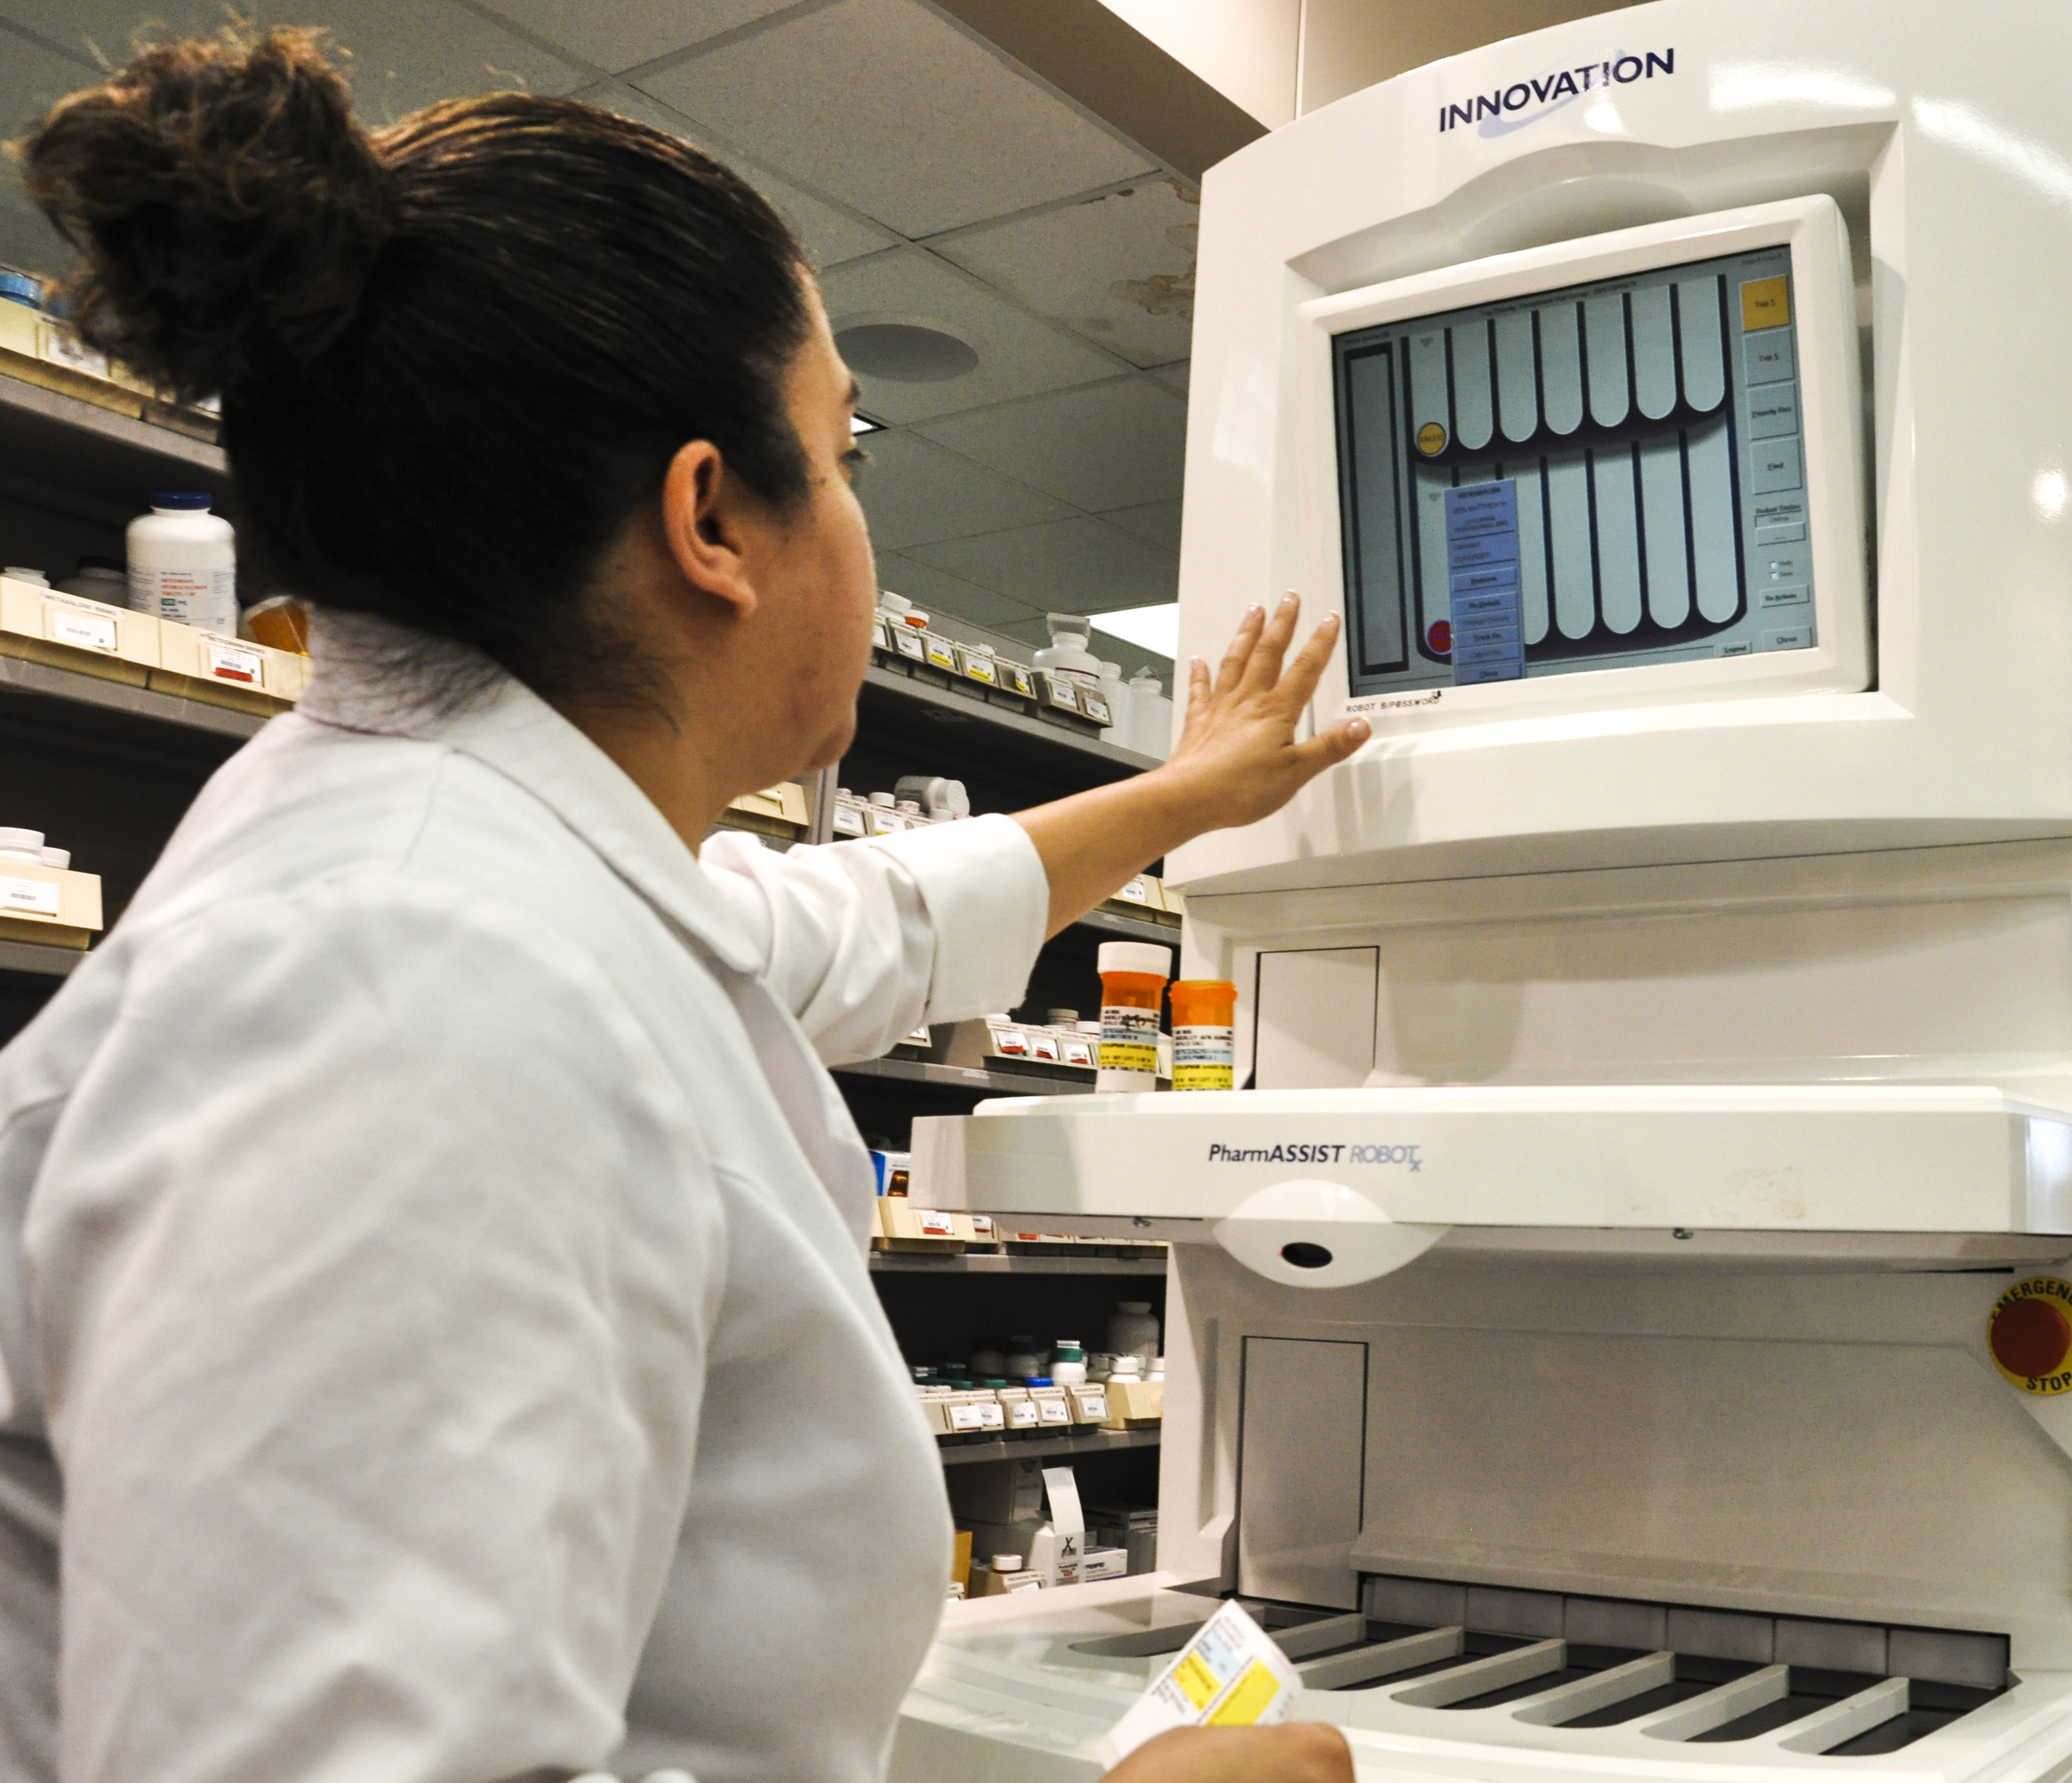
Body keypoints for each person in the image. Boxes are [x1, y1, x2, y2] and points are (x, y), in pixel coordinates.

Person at [0, 28, 1367, 1783]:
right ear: (712, 517)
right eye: (845, 452)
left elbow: (862, 919)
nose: (856, 517)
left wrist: (1197, 791)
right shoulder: (408, 991)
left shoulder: (504, 872)